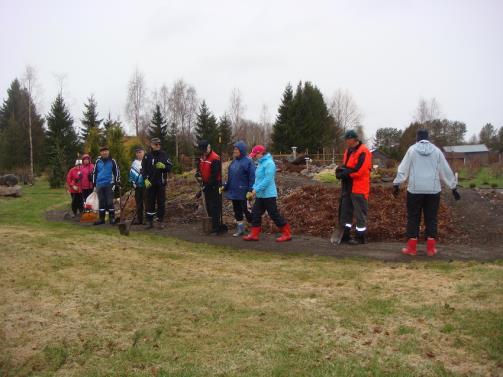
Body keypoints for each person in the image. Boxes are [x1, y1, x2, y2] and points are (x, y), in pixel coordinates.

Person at [393, 129, 460, 256]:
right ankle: (430, 249)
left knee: (413, 217)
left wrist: (397, 184)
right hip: (433, 190)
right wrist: (453, 187)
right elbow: (445, 170)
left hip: (414, 190)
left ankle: (412, 249)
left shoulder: (412, 150)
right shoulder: (436, 151)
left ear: (417, 138)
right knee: (431, 218)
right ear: (428, 138)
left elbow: (403, 168)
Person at [243, 145, 291, 242]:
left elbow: (267, 180)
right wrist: (253, 189)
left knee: (273, 214)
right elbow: (258, 179)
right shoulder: (260, 163)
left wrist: (256, 190)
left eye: (255, 154)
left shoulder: (270, 163)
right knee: (256, 213)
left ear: (261, 153)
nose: (254, 156)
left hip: (269, 195)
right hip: (261, 195)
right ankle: (254, 234)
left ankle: (287, 233)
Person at [335, 129, 372, 245]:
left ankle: (360, 237)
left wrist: (346, 174)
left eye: (347, 139)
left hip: (358, 187)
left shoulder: (364, 152)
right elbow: (347, 166)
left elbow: (360, 170)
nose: (345, 141)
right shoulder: (348, 151)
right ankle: (345, 235)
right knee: (346, 212)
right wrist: (340, 171)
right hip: (347, 187)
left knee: (360, 213)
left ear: (353, 139)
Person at [221, 141, 256, 237]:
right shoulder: (234, 161)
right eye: (234, 149)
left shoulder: (248, 162)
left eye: (236, 149)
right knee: (237, 211)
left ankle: (255, 229)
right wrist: (225, 186)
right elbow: (230, 177)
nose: (234, 151)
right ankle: (240, 229)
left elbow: (252, 177)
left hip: (244, 192)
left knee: (247, 211)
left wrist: (250, 190)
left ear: (242, 150)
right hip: (234, 191)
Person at [142, 138, 172, 229]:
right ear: (151, 145)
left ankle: (161, 221)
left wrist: (164, 166)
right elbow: (143, 169)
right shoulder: (147, 156)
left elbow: (170, 167)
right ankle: (149, 221)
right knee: (149, 202)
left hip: (160, 183)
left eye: (159, 144)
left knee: (161, 203)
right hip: (150, 183)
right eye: (156, 144)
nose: (158, 146)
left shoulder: (164, 155)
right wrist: (145, 179)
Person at [196, 140, 224, 235]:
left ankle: (216, 227)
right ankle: (211, 225)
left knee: (215, 206)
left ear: (209, 147)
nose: (204, 152)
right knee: (208, 206)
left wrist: (206, 186)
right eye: (202, 150)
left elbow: (214, 175)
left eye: (205, 150)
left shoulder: (215, 158)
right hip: (206, 184)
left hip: (215, 185)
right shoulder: (202, 157)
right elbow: (199, 168)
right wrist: (198, 174)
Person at [92, 146, 120, 225]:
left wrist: (116, 182)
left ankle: (112, 219)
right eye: (102, 151)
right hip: (99, 184)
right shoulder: (98, 161)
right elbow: (94, 172)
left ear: (108, 152)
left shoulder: (112, 161)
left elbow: (116, 172)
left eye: (106, 151)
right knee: (101, 202)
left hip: (109, 184)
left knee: (109, 203)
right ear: (100, 153)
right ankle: (101, 219)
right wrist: (94, 184)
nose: (104, 152)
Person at [129, 146, 146, 225]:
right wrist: (133, 182)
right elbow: (131, 174)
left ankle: (147, 220)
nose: (139, 154)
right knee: (139, 203)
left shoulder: (147, 161)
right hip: (137, 186)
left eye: (140, 152)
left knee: (147, 203)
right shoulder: (134, 163)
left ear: (143, 152)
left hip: (146, 186)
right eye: (137, 153)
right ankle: (140, 219)